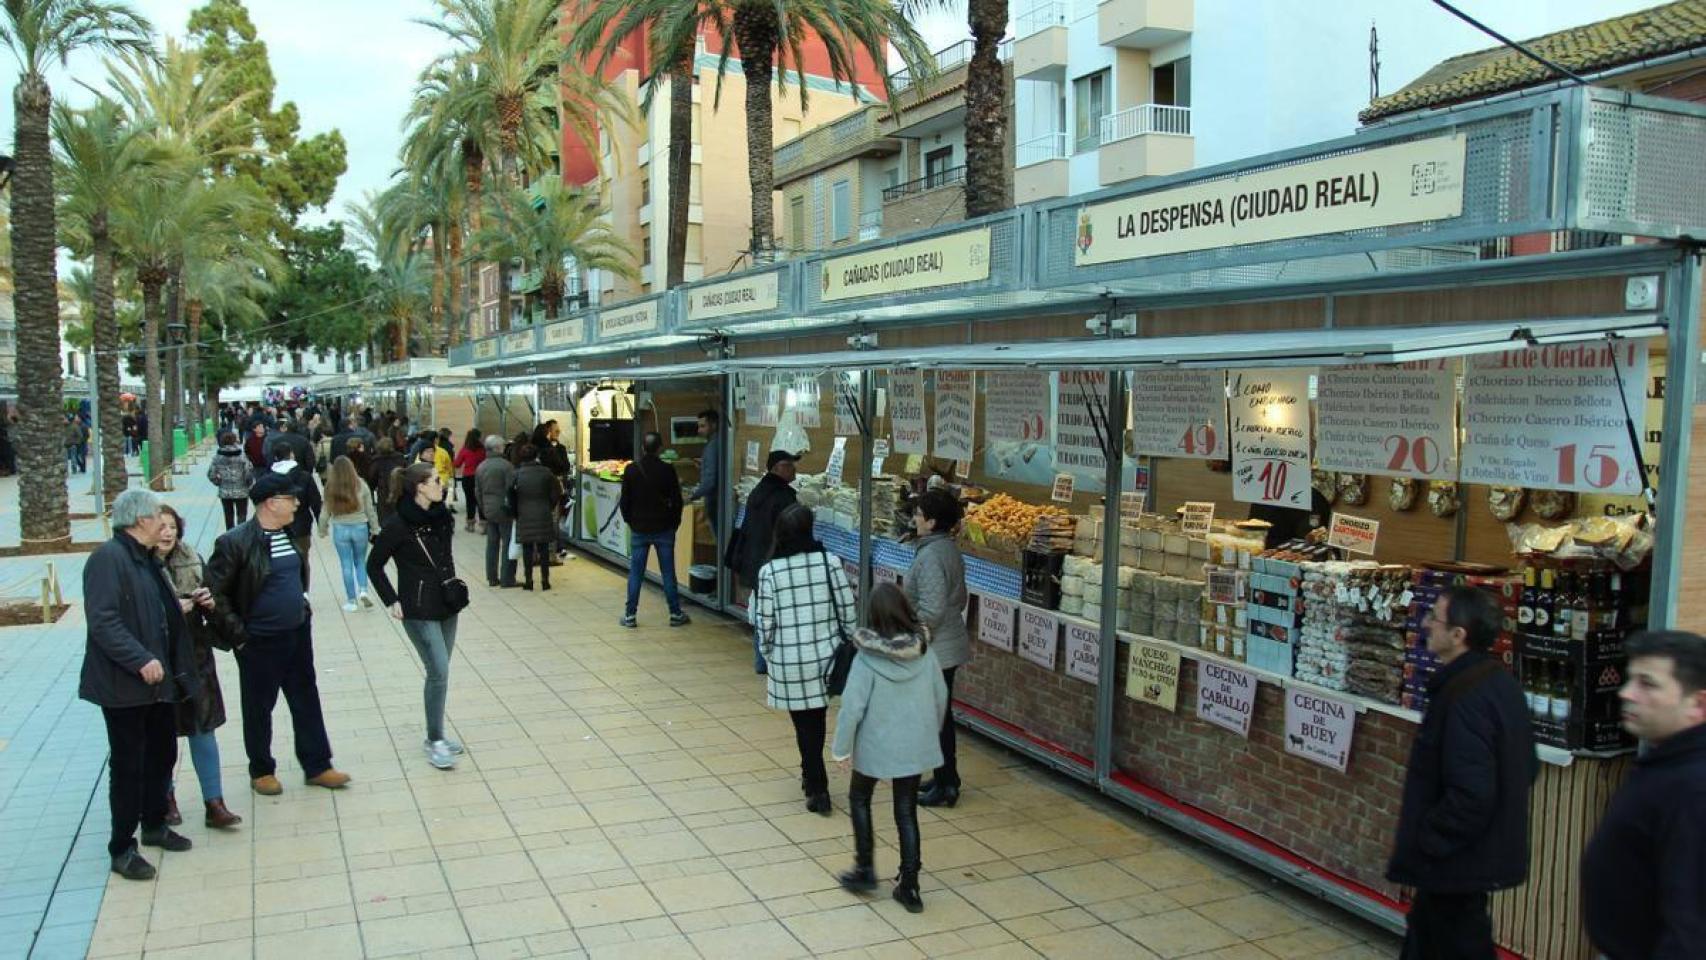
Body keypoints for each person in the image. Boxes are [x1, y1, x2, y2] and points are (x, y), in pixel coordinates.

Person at [1386, 585, 1537, 959]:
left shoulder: (1463, 698)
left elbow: (1472, 793)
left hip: (1456, 863)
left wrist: (1429, 839)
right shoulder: (1501, 684)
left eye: (1434, 618)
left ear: (1458, 635)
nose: (1425, 625)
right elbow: (1527, 766)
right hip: (1467, 864)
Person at [203, 471, 350, 796]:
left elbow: (295, 577)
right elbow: (215, 594)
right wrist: (240, 635)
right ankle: (261, 769)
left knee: (306, 699)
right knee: (259, 707)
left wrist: (302, 607)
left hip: (296, 633)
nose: (297, 503)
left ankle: (318, 765)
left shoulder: (291, 534)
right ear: (271, 503)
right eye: (291, 498)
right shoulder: (235, 542)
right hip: (258, 641)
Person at [81, 489, 202, 881]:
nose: (162, 524)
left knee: (162, 755)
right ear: (138, 521)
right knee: (128, 765)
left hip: (159, 683)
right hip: (126, 686)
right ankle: (122, 846)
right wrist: (141, 659)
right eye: (156, 517)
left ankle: (154, 824)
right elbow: (103, 622)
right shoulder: (108, 560)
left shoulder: (148, 560)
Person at [1582, 630, 1706, 960]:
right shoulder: (1668, 763)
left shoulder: (1693, 788)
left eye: (1647, 684)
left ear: (1697, 703)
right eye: (1630, 679)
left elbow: (1690, 924)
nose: (1626, 693)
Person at [831, 584, 948, 914]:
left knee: (859, 798)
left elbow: (851, 708)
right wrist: (929, 733)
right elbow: (940, 697)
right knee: (906, 810)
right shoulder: (925, 653)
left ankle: (865, 868)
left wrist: (841, 749)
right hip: (914, 745)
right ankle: (910, 885)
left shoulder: (867, 659)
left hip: (875, 746)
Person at [754, 503, 856, 816]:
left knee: (804, 724)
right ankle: (812, 778)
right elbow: (847, 612)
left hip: (789, 660)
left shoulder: (770, 571)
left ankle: (815, 784)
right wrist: (848, 644)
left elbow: (764, 623)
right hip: (825, 658)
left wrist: (770, 654)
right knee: (817, 719)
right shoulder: (830, 562)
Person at [368, 463, 466, 771]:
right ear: (420, 487)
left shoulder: (441, 517)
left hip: (447, 602)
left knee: (442, 671)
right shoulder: (398, 525)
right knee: (438, 670)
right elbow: (374, 565)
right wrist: (391, 599)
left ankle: (437, 734)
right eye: (436, 481)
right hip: (418, 607)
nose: (442, 484)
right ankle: (434, 739)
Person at [154, 505, 242, 831]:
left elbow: (217, 608)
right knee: (162, 736)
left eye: (172, 527)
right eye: (160, 526)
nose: (167, 533)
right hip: (158, 661)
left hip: (195, 657)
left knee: (203, 729)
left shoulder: (192, 559)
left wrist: (209, 602)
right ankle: (166, 799)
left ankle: (214, 802)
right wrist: (172, 609)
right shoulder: (140, 567)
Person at [907, 489, 971, 809]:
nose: (914, 519)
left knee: (938, 719)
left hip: (937, 648)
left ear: (931, 522)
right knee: (940, 716)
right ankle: (946, 776)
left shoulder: (931, 556)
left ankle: (946, 786)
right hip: (948, 643)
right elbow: (959, 598)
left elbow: (931, 610)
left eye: (918, 514)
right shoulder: (947, 549)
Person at [731, 450, 800, 674]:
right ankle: (771, 660)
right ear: (777, 467)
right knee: (778, 612)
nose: (794, 470)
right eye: (789, 465)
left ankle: (761, 659)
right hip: (775, 562)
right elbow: (789, 533)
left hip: (755, 561)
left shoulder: (757, 491)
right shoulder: (784, 497)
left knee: (763, 610)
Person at [618, 432, 691, 629]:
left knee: (636, 573)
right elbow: (677, 501)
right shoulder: (668, 470)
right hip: (664, 528)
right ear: (660, 448)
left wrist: (630, 522)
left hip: (639, 529)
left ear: (643, 448)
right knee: (668, 573)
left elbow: (624, 502)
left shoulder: (632, 470)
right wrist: (674, 524)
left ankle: (630, 615)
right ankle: (675, 613)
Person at [318, 456, 381, 612]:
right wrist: (375, 529)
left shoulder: (330, 486)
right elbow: (370, 510)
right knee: (360, 561)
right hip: (360, 526)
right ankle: (364, 590)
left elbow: (324, 512)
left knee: (346, 564)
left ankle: (351, 600)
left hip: (340, 528)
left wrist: (322, 529)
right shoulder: (361, 484)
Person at [509, 444, 562, 590]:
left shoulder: (517, 474)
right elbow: (557, 491)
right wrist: (549, 505)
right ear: (536, 456)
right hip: (543, 512)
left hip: (523, 514)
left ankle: (529, 580)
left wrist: (515, 512)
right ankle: (545, 580)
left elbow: (510, 494)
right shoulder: (546, 473)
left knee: (527, 549)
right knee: (543, 548)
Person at [266, 441, 322, 567]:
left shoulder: (269, 478)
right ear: (292, 455)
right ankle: (303, 586)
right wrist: (320, 521)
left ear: (275, 457)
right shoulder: (305, 476)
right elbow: (315, 501)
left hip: (277, 526)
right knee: (303, 559)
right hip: (302, 524)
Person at [475, 434, 517, 588]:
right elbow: (511, 489)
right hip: (504, 510)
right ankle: (507, 578)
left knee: (492, 544)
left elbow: (477, 491)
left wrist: (483, 507)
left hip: (489, 509)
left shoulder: (481, 466)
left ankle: (492, 577)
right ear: (498, 448)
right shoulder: (506, 466)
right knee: (507, 543)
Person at [686, 409, 722, 545]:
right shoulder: (718, 443)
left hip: (715, 501)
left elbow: (710, 481)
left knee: (720, 540)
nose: (699, 430)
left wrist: (692, 496)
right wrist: (704, 465)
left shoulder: (712, 446)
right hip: (716, 500)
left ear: (714, 425)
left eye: (703, 426)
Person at [207, 432, 255, 531]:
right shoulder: (242, 456)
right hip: (241, 490)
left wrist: (218, 482)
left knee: (228, 515)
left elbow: (211, 474)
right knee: (241, 514)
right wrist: (248, 483)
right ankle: (241, 534)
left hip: (225, 491)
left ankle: (230, 534)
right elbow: (248, 472)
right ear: (234, 441)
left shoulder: (217, 457)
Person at [367, 437, 409, 523]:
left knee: (385, 520)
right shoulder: (400, 458)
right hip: (399, 492)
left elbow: (372, 479)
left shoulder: (376, 460)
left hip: (383, 494)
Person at [453, 429, 486, 532]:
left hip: (468, 478)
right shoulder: (483, 449)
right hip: (480, 477)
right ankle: (484, 525)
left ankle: (470, 525)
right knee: (481, 501)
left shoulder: (465, 449)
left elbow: (457, 464)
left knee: (470, 501)